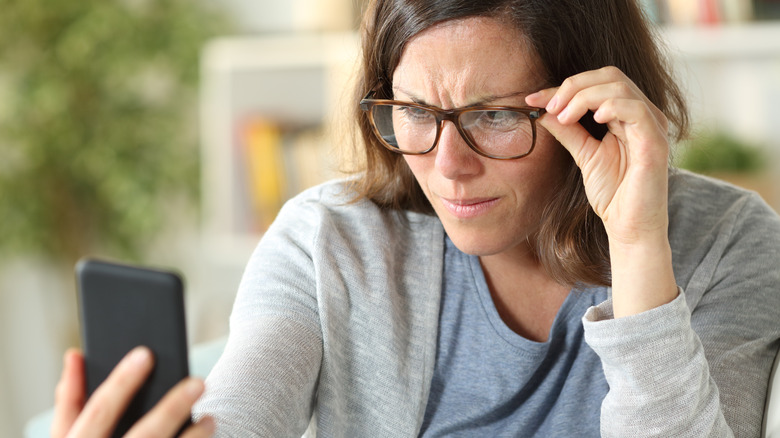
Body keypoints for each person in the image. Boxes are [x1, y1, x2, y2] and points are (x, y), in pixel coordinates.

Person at [53, 0, 780, 436]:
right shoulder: (329, 241)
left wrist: (637, 243)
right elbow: (242, 413)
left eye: (493, 115)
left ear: (589, 106)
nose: (448, 164)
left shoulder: (729, 245)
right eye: (415, 114)